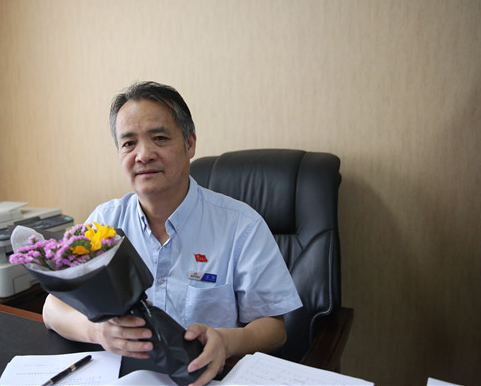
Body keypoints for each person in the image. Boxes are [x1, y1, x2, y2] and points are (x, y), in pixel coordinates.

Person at [42, 81, 302, 386]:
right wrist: (96, 331)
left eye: (159, 138)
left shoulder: (241, 225)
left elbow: (274, 328)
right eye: (128, 143)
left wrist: (227, 341)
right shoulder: (104, 223)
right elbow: (52, 308)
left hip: (205, 377)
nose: (143, 155)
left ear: (189, 144)